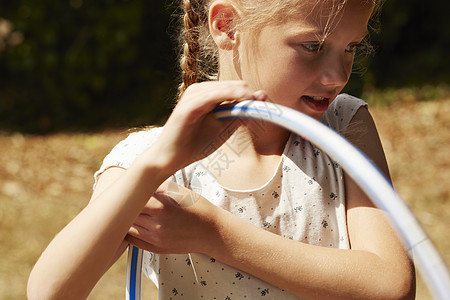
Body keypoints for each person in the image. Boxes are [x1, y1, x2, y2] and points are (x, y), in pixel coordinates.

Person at [28, 0, 416, 299]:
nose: (338, 75)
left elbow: (390, 285)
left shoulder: (344, 126)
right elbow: (50, 291)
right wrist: (153, 167)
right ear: (227, 26)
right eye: (313, 45)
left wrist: (212, 234)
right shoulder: (151, 162)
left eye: (350, 47)